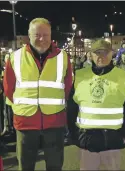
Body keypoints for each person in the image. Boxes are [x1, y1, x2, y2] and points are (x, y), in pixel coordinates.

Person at [3, 18, 73, 170]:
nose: (42, 39)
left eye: (45, 35)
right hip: (25, 122)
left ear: (50, 35)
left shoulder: (63, 57)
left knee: (54, 166)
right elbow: (8, 88)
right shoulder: (15, 57)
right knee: (26, 166)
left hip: (54, 121)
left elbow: (68, 87)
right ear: (29, 35)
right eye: (37, 35)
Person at [67, 39, 125, 170]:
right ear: (91, 55)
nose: (101, 56)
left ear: (112, 54)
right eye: (97, 52)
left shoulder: (123, 77)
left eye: (105, 52)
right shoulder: (81, 76)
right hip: (87, 141)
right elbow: (72, 107)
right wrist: (73, 133)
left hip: (113, 141)